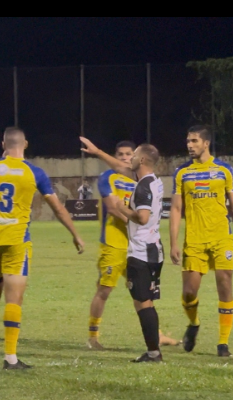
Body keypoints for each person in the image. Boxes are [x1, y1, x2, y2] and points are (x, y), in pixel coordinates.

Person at [0, 127, 85, 370]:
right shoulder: (35, 173)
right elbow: (58, 209)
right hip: (16, 239)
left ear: (3, 144)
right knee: (14, 299)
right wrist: (75, 234)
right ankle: (10, 358)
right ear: (25, 144)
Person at [80, 136, 167, 362]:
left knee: (143, 302)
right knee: (144, 301)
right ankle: (154, 346)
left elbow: (142, 217)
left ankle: (154, 353)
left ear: (143, 159)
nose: (130, 159)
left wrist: (123, 208)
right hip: (153, 248)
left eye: (134, 154)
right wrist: (98, 151)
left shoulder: (142, 187)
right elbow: (120, 168)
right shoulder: (154, 181)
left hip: (140, 251)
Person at [169, 125, 233, 358]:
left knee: (225, 284)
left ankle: (223, 343)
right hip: (194, 240)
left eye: (194, 141)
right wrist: (173, 242)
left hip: (221, 237)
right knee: (189, 292)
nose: (189, 145)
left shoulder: (224, 170)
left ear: (206, 143)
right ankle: (194, 323)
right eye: (188, 141)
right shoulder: (182, 172)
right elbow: (176, 208)